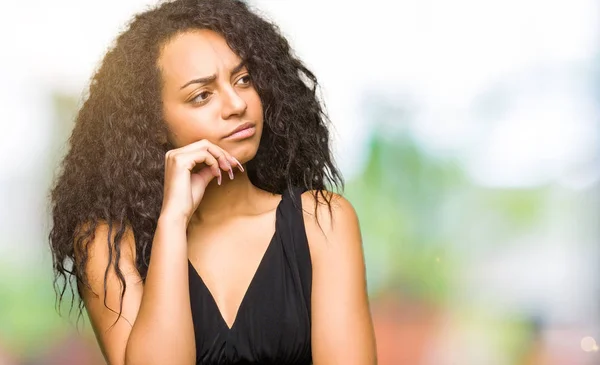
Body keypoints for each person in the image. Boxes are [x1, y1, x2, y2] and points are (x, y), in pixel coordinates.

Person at [48, 0, 377, 364]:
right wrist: (172, 222)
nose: (237, 103)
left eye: (243, 79)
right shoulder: (107, 246)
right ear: (152, 124)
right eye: (202, 95)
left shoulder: (322, 221)